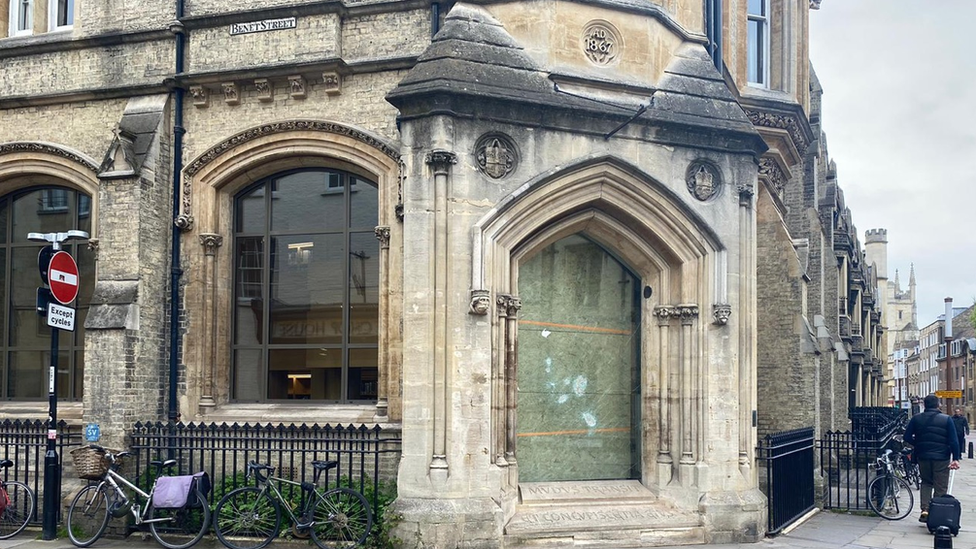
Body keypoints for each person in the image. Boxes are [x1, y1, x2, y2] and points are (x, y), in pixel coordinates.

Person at [904, 394, 960, 522]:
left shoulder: (916, 419)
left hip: (923, 456)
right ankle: (936, 511)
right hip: (942, 457)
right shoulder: (946, 419)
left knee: (926, 482)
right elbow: (953, 441)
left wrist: (918, 443)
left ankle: (925, 509)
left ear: (924, 405)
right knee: (940, 486)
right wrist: (955, 458)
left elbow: (907, 437)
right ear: (938, 405)